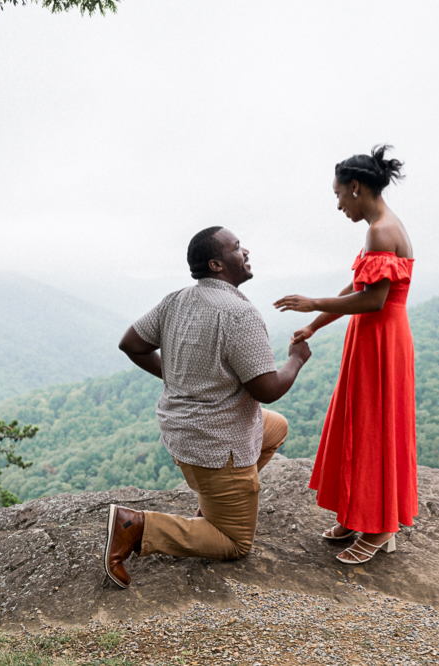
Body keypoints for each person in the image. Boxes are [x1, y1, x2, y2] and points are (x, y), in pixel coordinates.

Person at [105, 226, 312, 588]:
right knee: (235, 542)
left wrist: (178, 379)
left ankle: (215, 501)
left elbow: (131, 343)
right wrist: (295, 359)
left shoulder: (177, 299)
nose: (245, 251)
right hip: (217, 444)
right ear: (217, 264)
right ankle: (135, 526)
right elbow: (268, 389)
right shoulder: (239, 314)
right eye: (236, 248)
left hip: (183, 433)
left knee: (275, 427)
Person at [274, 145, 417, 565]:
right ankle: (359, 513)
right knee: (358, 422)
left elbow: (373, 299)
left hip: (381, 338)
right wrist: (316, 322)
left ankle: (380, 527)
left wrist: (311, 302)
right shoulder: (380, 227)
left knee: (374, 427)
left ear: (356, 188)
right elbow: (359, 284)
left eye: (338, 195)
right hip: (373, 338)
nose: (338, 205)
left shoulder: (381, 230)